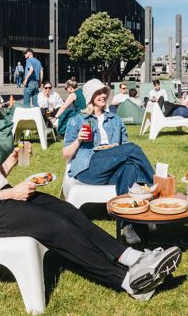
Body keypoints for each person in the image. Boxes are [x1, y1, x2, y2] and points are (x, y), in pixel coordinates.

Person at [0, 84, 182, 301]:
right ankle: (127, 280)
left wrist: (9, 163)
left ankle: (132, 257)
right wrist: (10, 194)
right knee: (56, 225)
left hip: (5, 198)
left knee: (68, 211)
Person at [63, 79, 155, 245]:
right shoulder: (77, 120)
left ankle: (127, 225)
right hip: (89, 167)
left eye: (104, 92)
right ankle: (155, 189)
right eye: (98, 92)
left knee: (130, 167)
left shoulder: (115, 119)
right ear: (90, 96)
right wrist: (78, 140)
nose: (103, 95)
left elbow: (124, 146)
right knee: (133, 149)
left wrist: (116, 149)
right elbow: (66, 154)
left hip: (112, 164)